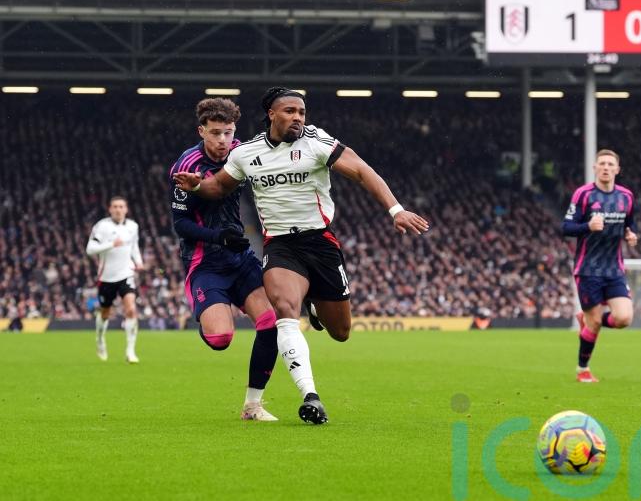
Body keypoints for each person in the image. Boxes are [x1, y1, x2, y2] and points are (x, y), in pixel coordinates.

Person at [173, 87, 429, 423]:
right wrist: (195, 186)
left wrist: (395, 209)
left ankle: (313, 302)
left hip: (321, 244)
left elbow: (363, 170)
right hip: (280, 246)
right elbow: (218, 187)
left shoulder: (317, 142)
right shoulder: (247, 154)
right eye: (290, 111)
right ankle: (311, 396)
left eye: (302, 112)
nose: (298, 118)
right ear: (272, 115)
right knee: (283, 313)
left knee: (340, 332)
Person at [169, 97, 281, 422]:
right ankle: (206, 316)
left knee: (271, 321)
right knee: (221, 339)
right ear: (201, 130)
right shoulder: (186, 165)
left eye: (228, 133)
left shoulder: (242, 153)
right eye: (215, 133)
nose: (222, 141)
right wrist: (218, 237)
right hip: (206, 262)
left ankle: (253, 405)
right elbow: (181, 224)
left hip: (242, 257)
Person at [562, 149, 638, 383]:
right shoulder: (583, 195)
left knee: (624, 318)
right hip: (588, 269)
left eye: (610, 164)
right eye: (602, 163)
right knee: (595, 323)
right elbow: (565, 227)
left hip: (614, 268)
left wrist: (630, 235)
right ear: (595, 168)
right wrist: (587, 226)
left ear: (617, 169)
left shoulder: (626, 196)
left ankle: (587, 320)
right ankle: (582, 369)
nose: (605, 167)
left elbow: (629, 223)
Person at [86, 196, 144, 363]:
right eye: (115, 207)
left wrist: (138, 262)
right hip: (106, 277)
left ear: (126, 209)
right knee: (105, 313)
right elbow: (90, 249)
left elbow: (134, 246)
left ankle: (130, 351)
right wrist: (111, 244)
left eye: (121, 206)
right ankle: (100, 339)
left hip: (126, 274)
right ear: (110, 209)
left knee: (131, 310)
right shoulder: (102, 226)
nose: (118, 209)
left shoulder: (133, 227)